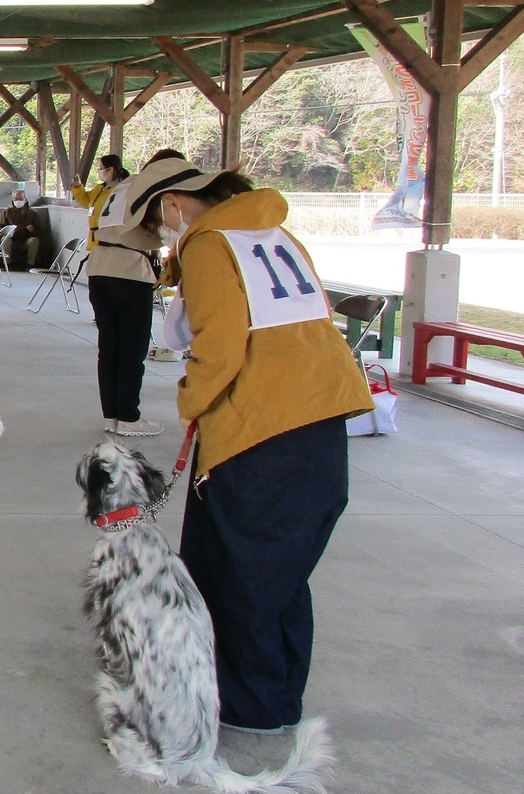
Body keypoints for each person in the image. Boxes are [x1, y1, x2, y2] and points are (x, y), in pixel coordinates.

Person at [123, 157, 372, 735]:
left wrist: (192, 399)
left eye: (159, 220)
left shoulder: (209, 247)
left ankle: (247, 707)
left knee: (240, 577)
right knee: (279, 577)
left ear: (174, 204)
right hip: (318, 426)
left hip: (260, 434)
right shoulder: (272, 233)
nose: (164, 234)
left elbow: (221, 344)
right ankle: (277, 700)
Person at [84, 166, 162, 437]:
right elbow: (167, 231)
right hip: (129, 269)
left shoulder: (120, 188)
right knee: (132, 347)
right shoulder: (151, 190)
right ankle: (129, 415)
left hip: (99, 267)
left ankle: (112, 415)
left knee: (110, 347)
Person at [71, 153, 127, 248]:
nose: (99, 171)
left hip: (109, 240)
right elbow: (86, 201)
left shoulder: (121, 189)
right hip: (94, 238)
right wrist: (77, 187)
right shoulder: (100, 188)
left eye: (101, 168)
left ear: (110, 170)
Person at [0, 188, 41, 269]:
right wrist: (6, 232)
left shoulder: (32, 213)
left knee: (34, 241)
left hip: (25, 240)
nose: (18, 201)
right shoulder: (6, 212)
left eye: (20, 199)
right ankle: (7, 264)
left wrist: (33, 230)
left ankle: (30, 265)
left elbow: (39, 230)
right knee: (4, 240)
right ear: (13, 200)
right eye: (16, 199)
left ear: (25, 200)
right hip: (11, 239)